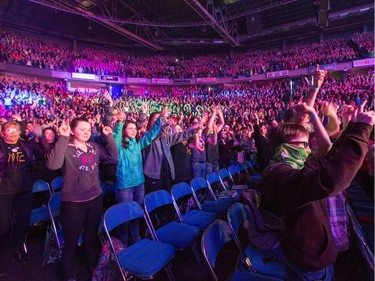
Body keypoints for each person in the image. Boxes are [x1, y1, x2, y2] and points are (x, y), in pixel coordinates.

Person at [259, 106, 375, 281]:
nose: (308, 150)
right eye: (303, 145)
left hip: (317, 257)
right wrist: (360, 132)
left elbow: (328, 157)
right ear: (286, 147)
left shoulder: (296, 167)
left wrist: (352, 126)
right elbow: (331, 179)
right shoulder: (280, 176)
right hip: (308, 264)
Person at [46, 118, 118, 281]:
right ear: (72, 130)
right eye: (82, 129)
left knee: (91, 238)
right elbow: (53, 165)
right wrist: (63, 138)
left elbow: (112, 158)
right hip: (73, 203)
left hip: (94, 199)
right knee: (71, 243)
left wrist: (109, 137)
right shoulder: (66, 147)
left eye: (88, 129)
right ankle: (68, 276)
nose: (86, 132)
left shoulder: (93, 147)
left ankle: (93, 270)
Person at [112, 109, 167, 245]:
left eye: (134, 129)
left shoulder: (138, 144)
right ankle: (123, 245)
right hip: (125, 185)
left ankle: (136, 240)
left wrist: (161, 118)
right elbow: (115, 136)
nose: (133, 131)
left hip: (139, 184)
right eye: (130, 128)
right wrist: (120, 122)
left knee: (136, 214)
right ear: (124, 130)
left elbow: (152, 134)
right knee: (124, 217)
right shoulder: (119, 145)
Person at [0, 121, 34, 270]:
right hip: (5, 191)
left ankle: (16, 247)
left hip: (24, 190)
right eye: (9, 130)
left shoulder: (25, 145)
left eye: (16, 130)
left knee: (23, 221)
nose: (13, 132)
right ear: (2, 133)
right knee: (3, 225)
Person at [143, 111, 199, 194]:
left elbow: (180, 136)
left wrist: (194, 131)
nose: (161, 121)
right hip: (153, 175)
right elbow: (155, 134)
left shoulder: (166, 137)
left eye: (162, 119)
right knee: (157, 201)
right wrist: (164, 124)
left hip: (167, 173)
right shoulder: (147, 135)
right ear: (151, 121)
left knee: (167, 200)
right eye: (157, 119)